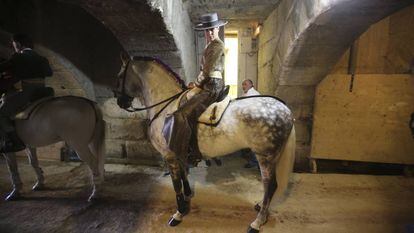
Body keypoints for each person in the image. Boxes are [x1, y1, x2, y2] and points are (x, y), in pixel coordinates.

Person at [165, 13, 227, 165]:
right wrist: (196, 83)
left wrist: (197, 84)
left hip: (212, 86)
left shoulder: (217, 45)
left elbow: (208, 70)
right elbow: (204, 71)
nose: (210, 33)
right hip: (207, 83)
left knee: (181, 115)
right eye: (207, 30)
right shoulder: (210, 46)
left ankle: (188, 152)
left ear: (218, 28)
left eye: (212, 29)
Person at [0, 33, 53, 152]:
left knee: (1, 113)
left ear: (18, 44)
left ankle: (15, 142)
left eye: (14, 45)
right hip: (43, 91)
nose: (14, 47)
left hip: (29, 92)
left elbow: (3, 67)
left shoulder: (18, 57)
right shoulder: (42, 58)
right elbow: (49, 73)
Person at [241, 79, 261, 168]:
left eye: (245, 84)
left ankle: (255, 162)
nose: (243, 86)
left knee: (254, 143)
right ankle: (251, 159)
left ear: (251, 85)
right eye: (242, 84)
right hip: (248, 122)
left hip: (254, 122)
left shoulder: (254, 94)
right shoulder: (246, 94)